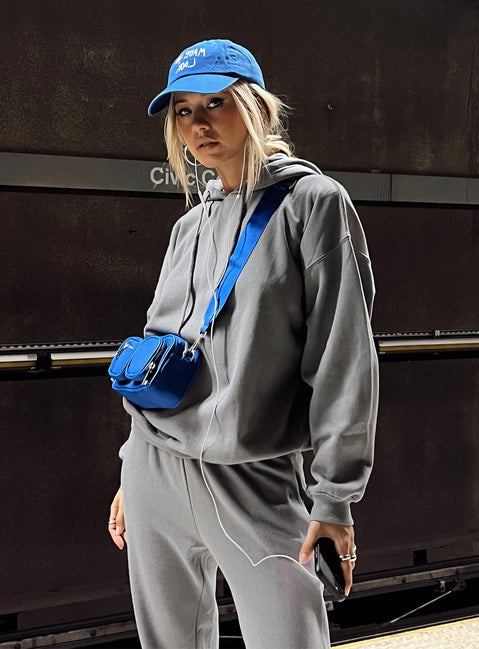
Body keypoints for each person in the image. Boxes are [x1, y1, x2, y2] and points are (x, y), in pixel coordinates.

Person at [108, 38, 379, 649]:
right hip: (155, 470)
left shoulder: (313, 204)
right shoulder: (190, 224)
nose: (197, 124)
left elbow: (343, 360)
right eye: (183, 111)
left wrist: (334, 498)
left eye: (215, 104)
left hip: (251, 474)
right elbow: (161, 344)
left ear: (255, 107)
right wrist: (131, 464)